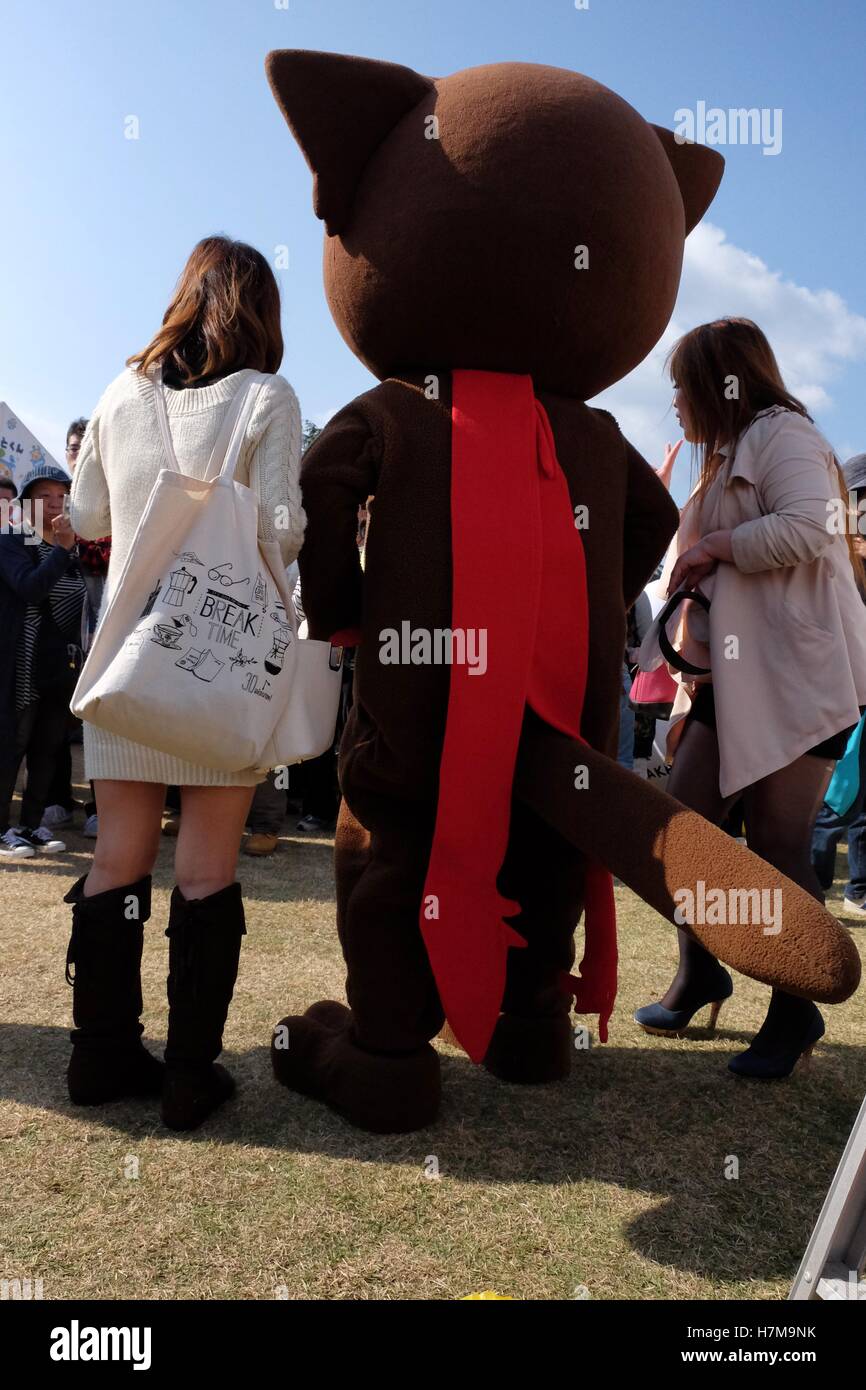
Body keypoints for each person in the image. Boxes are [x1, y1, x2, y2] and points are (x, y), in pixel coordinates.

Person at [67, 235, 305, 1130]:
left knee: (114, 859)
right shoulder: (268, 397)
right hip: (221, 659)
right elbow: (282, 528)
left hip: (129, 658)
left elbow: (88, 513)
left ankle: (100, 1056)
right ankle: (189, 1075)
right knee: (205, 871)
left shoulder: (119, 394)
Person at [634, 317, 866, 1076]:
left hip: (800, 679)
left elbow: (809, 527)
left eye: (680, 386)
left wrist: (713, 547)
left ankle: (793, 1011)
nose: (675, 402)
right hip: (737, 681)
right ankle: (702, 971)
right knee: (686, 835)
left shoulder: (782, 434)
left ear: (718, 380)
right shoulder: (736, 449)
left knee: (777, 844)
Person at [0, 465, 86, 859]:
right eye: (44, 496)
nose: (54, 503)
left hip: (60, 664)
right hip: (22, 661)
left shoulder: (74, 544)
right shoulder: (12, 539)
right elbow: (31, 589)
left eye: (61, 496)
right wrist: (62, 549)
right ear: (26, 504)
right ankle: (2, 829)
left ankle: (31, 825)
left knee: (48, 746)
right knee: (13, 743)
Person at [41, 417, 106, 840]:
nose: (78, 453)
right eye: (72, 446)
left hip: (104, 615)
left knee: (102, 717)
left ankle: (101, 806)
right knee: (53, 713)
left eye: (86, 445)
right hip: (56, 619)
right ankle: (55, 799)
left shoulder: (114, 493)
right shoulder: (51, 499)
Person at [811, 452, 866, 911]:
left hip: (849, 689)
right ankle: (813, 890)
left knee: (853, 796)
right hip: (841, 692)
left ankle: (858, 890)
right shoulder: (835, 550)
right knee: (836, 797)